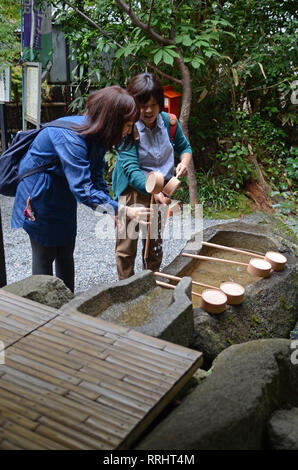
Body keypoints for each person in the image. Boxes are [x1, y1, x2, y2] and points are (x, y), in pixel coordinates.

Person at [11, 86, 150, 292]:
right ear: (112, 121)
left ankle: (68, 308)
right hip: (38, 193)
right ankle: (42, 311)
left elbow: (95, 177)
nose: (129, 131)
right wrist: (123, 209)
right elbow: (83, 189)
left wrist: (111, 207)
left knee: (66, 249)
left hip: (63, 192)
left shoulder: (97, 135)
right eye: (127, 125)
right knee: (44, 253)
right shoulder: (72, 138)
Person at [112, 73, 192, 279]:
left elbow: (185, 147)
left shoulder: (169, 123)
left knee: (154, 244)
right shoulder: (126, 128)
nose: (148, 110)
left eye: (154, 105)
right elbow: (131, 170)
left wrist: (183, 163)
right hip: (132, 193)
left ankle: (151, 283)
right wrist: (153, 191)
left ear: (160, 104)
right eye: (142, 104)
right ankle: (126, 289)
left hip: (161, 192)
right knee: (126, 246)